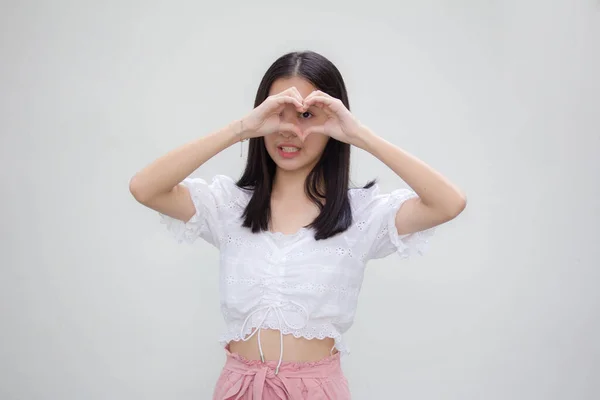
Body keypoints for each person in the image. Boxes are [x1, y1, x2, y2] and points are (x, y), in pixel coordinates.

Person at [129, 50, 467, 399]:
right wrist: (242, 128)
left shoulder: (362, 214)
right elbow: (144, 187)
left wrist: (359, 135)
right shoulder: (229, 205)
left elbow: (449, 202)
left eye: (307, 115)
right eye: (279, 112)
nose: (289, 130)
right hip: (238, 388)